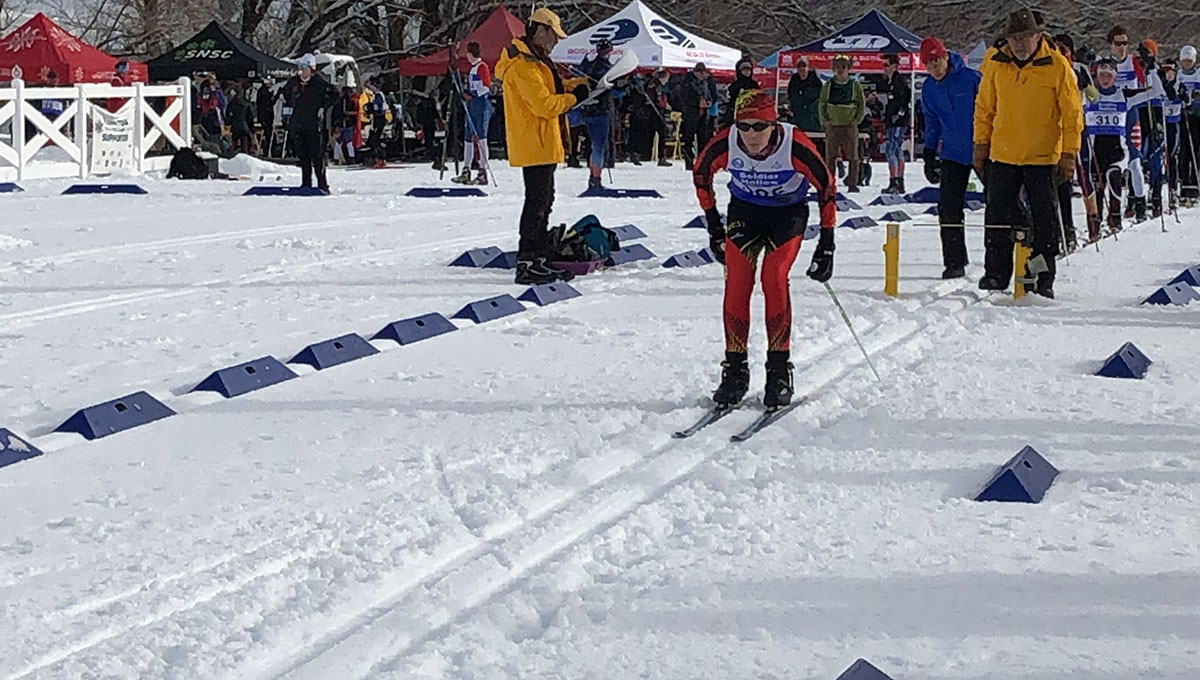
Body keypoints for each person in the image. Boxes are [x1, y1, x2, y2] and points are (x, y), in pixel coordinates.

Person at [693, 90, 837, 409]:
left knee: (774, 278)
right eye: (744, 127)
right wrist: (714, 225)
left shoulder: (794, 144)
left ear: (775, 124)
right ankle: (734, 370)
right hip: (746, 212)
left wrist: (827, 243)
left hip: (787, 215)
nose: (752, 135)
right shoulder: (727, 141)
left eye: (760, 126)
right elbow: (701, 173)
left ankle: (779, 370)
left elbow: (826, 186)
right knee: (737, 282)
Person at [974, 8, 1083, 298]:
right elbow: (985, 108)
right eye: (1014, 38)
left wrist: (1069, 153)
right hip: (1003, 154)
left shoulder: (1058, 65)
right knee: (997, 219)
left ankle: (1040, 277)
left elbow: (1072, 114)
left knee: (1045, 224)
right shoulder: (996, 64)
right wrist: (980, 145)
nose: (1020, 43)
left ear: (1037, 36)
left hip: (1043, 158)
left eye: (1025, 37)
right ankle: (996, 275)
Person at [495, 7, 589, 285]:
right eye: (554, 35)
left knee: (544, 200)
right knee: (537, 202)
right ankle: (528, 260)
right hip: (534, 142)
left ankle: (537, 256)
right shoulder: (523, 65)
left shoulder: (536, 60)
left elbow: (553, 90)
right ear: (541, 30)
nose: (557, 41)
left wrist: (578, 85)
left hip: (543, 142)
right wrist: (575, 99)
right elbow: (544, 105)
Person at [920, 35, 982, 279]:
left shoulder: (971, 79)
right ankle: (954, 260)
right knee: (948, 207)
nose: (934, 68)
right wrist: (928, 151)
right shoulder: (929, 88)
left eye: (937, 62)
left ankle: (1009, 251)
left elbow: (991, 108)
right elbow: (932, 121)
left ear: (946, 57)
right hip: (952, 153)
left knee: (1001, 204)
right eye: (929, 65)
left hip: (981, 148)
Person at [1106, 25, 1149, 221]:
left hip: (1131, 115)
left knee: (1134, 161)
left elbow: (1148, 86)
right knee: (1112, 164)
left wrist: (1150, 66)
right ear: (1110, 45)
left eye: (1125, 43)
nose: (1122, 47)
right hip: (1111, 117)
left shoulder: (1134, 62)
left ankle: (1141, 204)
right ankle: (1112, 209)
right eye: (1118, 43)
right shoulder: (1104, 63)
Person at [1087, 57, 1132, 238]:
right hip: (1095, 151)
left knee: (1114, 176)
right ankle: (1094, 226)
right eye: (1101, 75)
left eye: (1109, 75)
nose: (1105, 79)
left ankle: (1115, 219)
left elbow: (1155, 92)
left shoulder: (1124, 94)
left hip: (1118, 150)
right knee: (1096, 187)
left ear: (1115, 77)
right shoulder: (1090, 94)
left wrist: (1152, 70)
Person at [282, 53, 338, 192]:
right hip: (298, 123)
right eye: (299, 67)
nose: (301, 70)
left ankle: (322, 184)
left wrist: (323, 107)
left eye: (304, 67)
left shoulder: (318, 83)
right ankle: (306, 183)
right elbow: (286, 94)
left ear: (311, 68)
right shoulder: (293, 82)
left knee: (316, 155)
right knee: (303, 155)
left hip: (313, 124)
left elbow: (334, 94)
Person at [819, 54, 866, 192]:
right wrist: (825, 120)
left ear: (849, 69)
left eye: (844, 67)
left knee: (853, 156)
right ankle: (829, 182)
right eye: (837, 67)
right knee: (830, 156)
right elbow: (822, 103)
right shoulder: (828, 85)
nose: (840, 70)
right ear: (833, 69)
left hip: (850, 125)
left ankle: (852, 182)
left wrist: (856, 120)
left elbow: (861, 104)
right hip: (832, 125)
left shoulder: (854, 85)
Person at [453, 41, 494, 185]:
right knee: (468, 138)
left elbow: (487, 86)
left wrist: (472, 93)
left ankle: (482, 172)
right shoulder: (472, 69)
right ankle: (466, 170)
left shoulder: (482, 67)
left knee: (481, 137)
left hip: (481, 103)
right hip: (472, 105)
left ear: (470, 54)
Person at [578, 38, 614, 189]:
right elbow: (613, 90)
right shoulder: (606, 67)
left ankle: (593, 176)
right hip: (600, 110)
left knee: (592, 145)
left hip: (587, 110)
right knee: (599, 145)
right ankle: (595, 178)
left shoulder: (587, 64)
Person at [881, 54, 912, 194]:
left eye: (886, 65)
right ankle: (897, 181)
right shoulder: (891, 82)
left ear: (894, 66)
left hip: (898, 121)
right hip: (893, 121)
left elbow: (905, 100)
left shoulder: (899, 81)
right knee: (895, 149)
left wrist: (899, 115)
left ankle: (896, 181)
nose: (884, 69)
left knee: (891, 149)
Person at [680, 62, 717, 170]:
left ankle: (701, 162)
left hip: (703, 114)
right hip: (691, 114)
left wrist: (709, 101)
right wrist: (697, 103)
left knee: (704, 139)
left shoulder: (704, 82)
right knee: (688, 139)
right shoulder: (687, 82)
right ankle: (689, 162)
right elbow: (685, 97)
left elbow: (710, 94)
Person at [634, 67, 673, 166]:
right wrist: (665, 106)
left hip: (649, 112)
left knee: (648, 135)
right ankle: (661, 157)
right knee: (662, 134)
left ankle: (643, 154)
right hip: (657, 112)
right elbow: (658, 100)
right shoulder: (658, 85)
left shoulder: (650, 83)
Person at [1177, 45, 1200, 206]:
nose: (1187, 63)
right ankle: (1184, 182)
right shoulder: (1178, 75)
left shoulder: (1199, 74)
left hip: (1197, 116)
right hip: (1182, 116)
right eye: (1184, 60)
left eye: (1189, 60)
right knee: (1184, 150)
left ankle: (1196, 182)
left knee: (1196, 149)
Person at [787, 58, 823, 134]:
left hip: (813, 118)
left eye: (804, 66)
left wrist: (805, 93)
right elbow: (791, 97)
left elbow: (819, 95)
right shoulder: (793, 81)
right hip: (798, 117)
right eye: (799, 66)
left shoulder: (815, 81)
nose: (802, 68)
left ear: (808, 67)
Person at [723, 58, 759, 127]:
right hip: (737, 111)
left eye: (749, 70)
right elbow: (731, 97)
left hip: (751, 111)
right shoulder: (735, 85)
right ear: (740, 71)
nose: (747, 72)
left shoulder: (754, 84)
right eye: (745, 70)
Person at [365, 79, 389, 168]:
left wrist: (372, 109)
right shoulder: (377, 95)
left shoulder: (378, 95)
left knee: (375, 140)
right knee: (374, 139)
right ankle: (378, 158)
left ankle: (380, 159)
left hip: (379, 119)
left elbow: (378, 108)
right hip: (378, 119)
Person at [225, 84, 255, 155]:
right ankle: (245, 155)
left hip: (235, 125)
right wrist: (251, 128)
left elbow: (228, 115)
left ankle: (232, 155)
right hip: (244, 126)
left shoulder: (231, 103)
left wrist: (229, 123)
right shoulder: (246, 103)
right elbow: (250, 117)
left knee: (234, 142)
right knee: (244, 143)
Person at [334, 86, 359, 164]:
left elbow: (335, 114)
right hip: (347, 124)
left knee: (338, 142)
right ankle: (351, 158)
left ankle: (336, 158)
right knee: (348, 142)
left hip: (342, 124)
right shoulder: (351, 101)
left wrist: (335, 125)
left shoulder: (338, 102)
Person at [257, 77, 277, 156]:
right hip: (266, 117)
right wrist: (277, 94)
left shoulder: (262, 91)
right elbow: (270, 103)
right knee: (268, 134)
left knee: (268, 134)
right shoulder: (264, 92)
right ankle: (267, 151)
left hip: (264, 116)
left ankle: (267, 150)